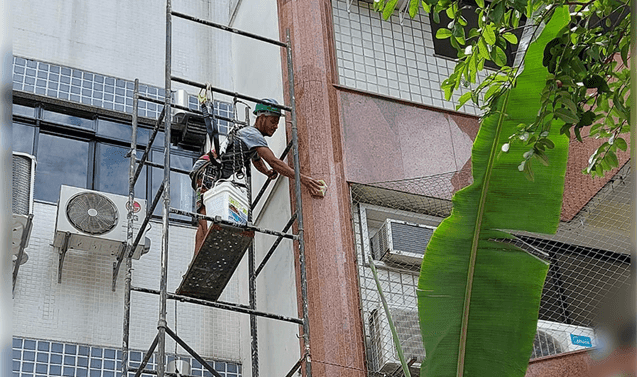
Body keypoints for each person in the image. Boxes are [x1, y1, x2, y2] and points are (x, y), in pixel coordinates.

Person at [190, 98, 325, 252]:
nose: (275, 126)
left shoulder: (251, 140)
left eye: (277, 123)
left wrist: (267, 172)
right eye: (273, 121)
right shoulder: (252, 134)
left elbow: (257, 160)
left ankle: (198, 254)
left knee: (204, 211)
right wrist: (305, 180)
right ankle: (207, 249)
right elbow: (274, 161)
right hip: (208, 168)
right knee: (205, 212)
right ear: (261, 118)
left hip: (207, 169)